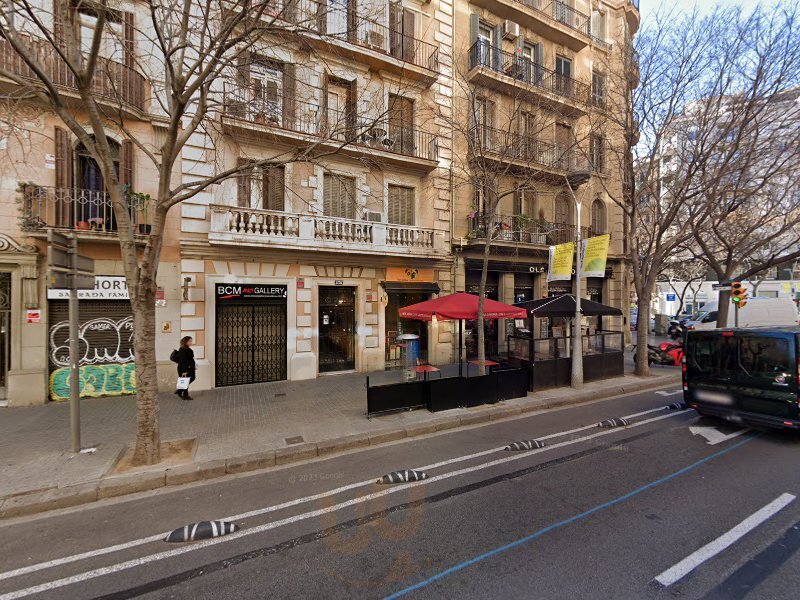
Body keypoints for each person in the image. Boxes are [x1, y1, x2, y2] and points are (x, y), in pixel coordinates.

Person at [174, 336, 196, 400]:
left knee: (190, 379)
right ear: (185, 342)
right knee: (186, 381)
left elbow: (190, 359)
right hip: (185, 368)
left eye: (191, 341)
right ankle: (185, 395)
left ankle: (180, 390)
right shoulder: (183, 350)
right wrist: (184, 371)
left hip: (189, 368)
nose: (191, 342)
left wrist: (194, 366)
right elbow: (183, 361)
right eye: (190, 341)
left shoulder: (187, 349)